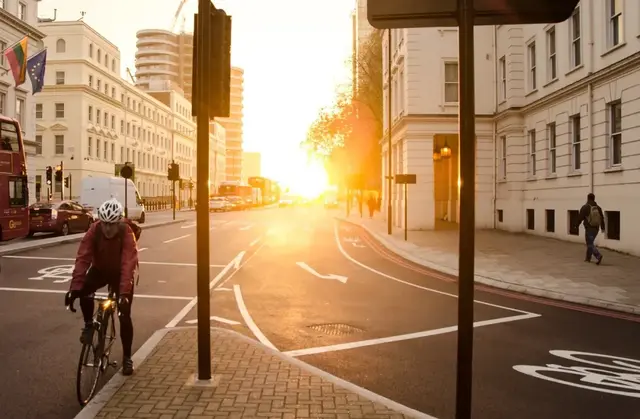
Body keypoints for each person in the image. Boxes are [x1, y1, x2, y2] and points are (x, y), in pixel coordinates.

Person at [64, 198, 139, 376]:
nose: (107, 229)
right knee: (84, 291)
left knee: (124, 314)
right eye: (104, 223)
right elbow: (83, 257)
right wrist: (74, 288)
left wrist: (124, 294)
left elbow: (128, 264)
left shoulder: (126, 232)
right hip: (100, 269)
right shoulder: (94, 230)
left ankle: (127, 358)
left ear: (118, 222)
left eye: (111, 225)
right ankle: (89, 325)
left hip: (120, 273)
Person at [579, 193, 605, 265]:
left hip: (589, 228)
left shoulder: (585, 207)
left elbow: (580, 217)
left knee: (589, 243)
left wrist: (576, 225)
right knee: (590, 242)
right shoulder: (598, 208)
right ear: (594, 198)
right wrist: (603, 227)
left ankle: (598, 255)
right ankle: (588, 258)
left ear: (587, 198)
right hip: (596, 228)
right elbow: (602, 218)